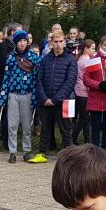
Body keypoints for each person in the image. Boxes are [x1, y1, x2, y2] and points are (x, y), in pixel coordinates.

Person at [28, 31, 77, 163]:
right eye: (55, 42)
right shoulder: (46, 59)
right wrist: (45, 99)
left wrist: (55, 99)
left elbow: (70, 81)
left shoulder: (71, 59)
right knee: (45, 129)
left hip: (64, 101)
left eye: (61, 41)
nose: (58, 44)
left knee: (66, 129)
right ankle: (42, 153)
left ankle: (70, 157)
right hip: (45, 101)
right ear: (51, 43)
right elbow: (39, 79)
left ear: (64, 42)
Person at [0, 29, 40, 163]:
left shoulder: (34, 57)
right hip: (13, 94)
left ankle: (27, 150)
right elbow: (6, 78)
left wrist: (35, 95)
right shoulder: (11, 57)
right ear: (16, 43)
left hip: (27, 94)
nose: (22, 43)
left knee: (27, 125)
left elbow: (37, 78)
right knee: (12, 125)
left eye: (24, 41)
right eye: (20, 41)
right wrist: (3, 96)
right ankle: (12, 151)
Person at [0, 22, 22, 147]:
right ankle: (7, 140)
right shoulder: (6, 48)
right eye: (20, 31)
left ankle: (9, 139)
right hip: (8, 85)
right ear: (13, 32)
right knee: (8, 113)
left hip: (12, 85)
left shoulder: (11, 46)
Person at [72, 39, 96, 144]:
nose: (94, 51)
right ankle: (73, 136)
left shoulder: (81, 58)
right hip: (83, 92)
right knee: (83, 118)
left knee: (85, 118)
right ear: (86, 49)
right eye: (92, 49)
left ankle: (87, 140)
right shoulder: (86, 61)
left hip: (81, 91)